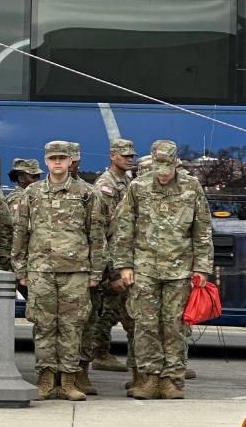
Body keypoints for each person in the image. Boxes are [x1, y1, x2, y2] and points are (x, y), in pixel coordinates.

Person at [112, 139, 212, 399]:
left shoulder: (191, 187)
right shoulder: (138, 186)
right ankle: (149, 378)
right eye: (159, 165)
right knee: (145, 325)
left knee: (175, 326)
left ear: (176, 163)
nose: (163, 172)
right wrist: (123, 265)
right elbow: (124, 227)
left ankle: (172, 380)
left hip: (180, 269)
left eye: (168, 166)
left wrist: (201, 267)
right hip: (144, 268)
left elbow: (202, 229)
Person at [12, 141, 105, 402]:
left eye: (62, 158)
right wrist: (20, 268)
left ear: (70, 161)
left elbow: (95, 235)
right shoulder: (32, 193)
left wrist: (96, 272)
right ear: (45, 160)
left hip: (75, 271)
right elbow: (21, 232)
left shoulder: (86, 193)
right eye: (53, 158)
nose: (57, 163)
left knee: (72, 327)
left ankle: (68, 381)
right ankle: (45, 379)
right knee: (43, 326)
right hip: (40, 269)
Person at [90, 138, 136, 374]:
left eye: (131, 156)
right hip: (112, 256)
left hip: (122, 254)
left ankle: (132, 357)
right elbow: (103, 228)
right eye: (125, 155)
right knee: (108, 308)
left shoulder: (126, 182)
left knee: (123, 308)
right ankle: (100, 352)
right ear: (112, 156)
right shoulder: (106, 185)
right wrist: (111, 269)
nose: (130, 159)